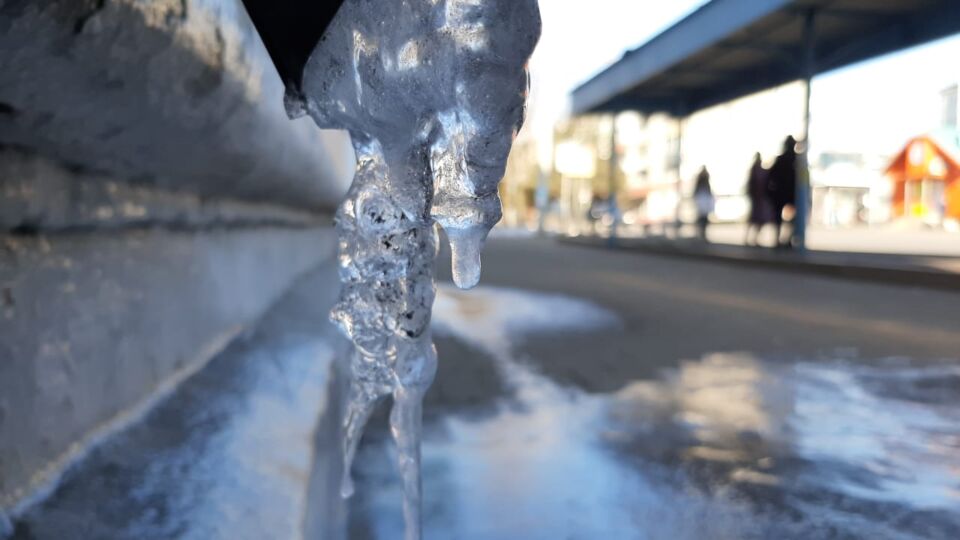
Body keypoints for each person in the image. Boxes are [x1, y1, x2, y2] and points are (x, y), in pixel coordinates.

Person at [767, 136, 797, 248]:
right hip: (787, 193)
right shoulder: (794, 160)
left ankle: (784, 240)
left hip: (784, 193)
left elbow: (771, 176)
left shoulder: (791, 160)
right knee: (788, 219)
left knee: (782, 219)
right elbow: (771, 176)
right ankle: (785, 240)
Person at [745, 152, 772, 246]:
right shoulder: (756, 170)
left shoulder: (757, 170)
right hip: (758, 198)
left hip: (759, 198)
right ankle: (750, 238)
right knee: (756, 219)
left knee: (758, 219)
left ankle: (753, 238)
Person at [693, 166, 714, 241]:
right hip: (703, 198)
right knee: (702, 217)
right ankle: (701, 233)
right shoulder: (704, 180)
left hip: (702, 198)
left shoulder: (702, 180)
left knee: (702, 217)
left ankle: (701, 233)